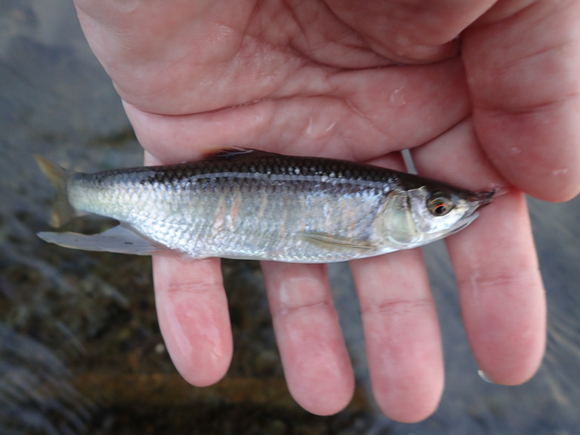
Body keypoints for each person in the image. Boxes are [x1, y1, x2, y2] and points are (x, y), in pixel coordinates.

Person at [72, 0, 580, 422]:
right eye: (440, 207)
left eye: (441, 206)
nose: (449, 212)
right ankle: (75, 194)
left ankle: (73, 194)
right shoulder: (369, 215)